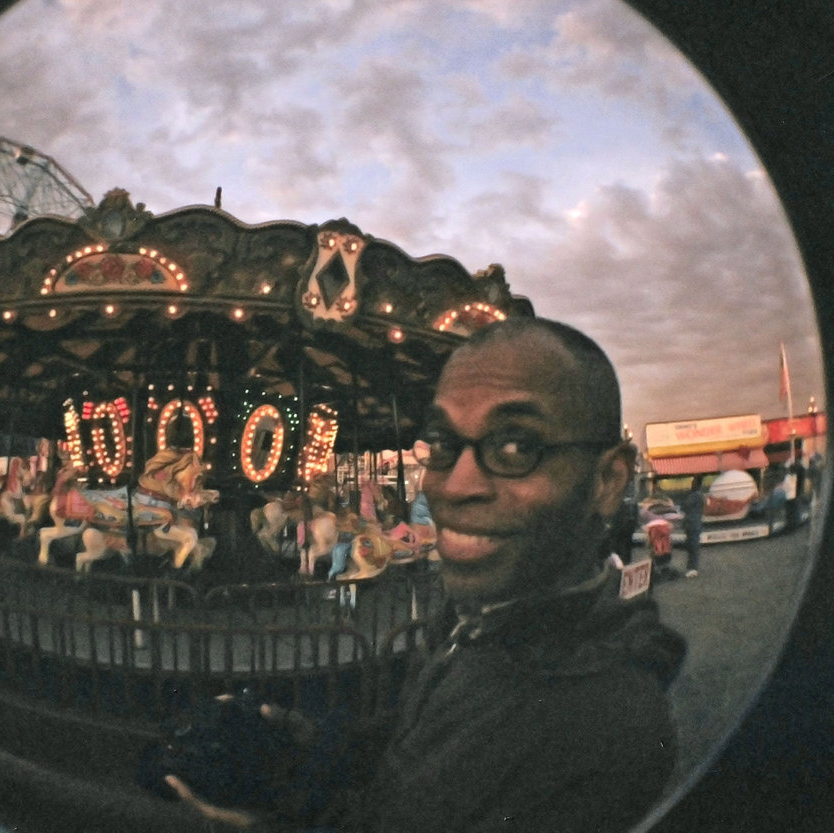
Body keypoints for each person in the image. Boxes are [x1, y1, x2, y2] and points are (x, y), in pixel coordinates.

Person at [167, 316, 686, 833]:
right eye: (441, 444)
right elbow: (413, 748)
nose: (454, 486)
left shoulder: (601, 726)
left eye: (517, 447)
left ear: (607, 479)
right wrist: (310, 737)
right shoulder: (479, 622)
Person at [682, 476, 705, 577]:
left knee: (692, 546)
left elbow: (685, 506)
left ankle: (692, 568)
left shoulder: (694, 496)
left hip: (692, 523)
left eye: (693, 483)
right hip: (696, 523)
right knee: (693, 546)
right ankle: (692, 567)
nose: (691, 485)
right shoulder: (701, 496)